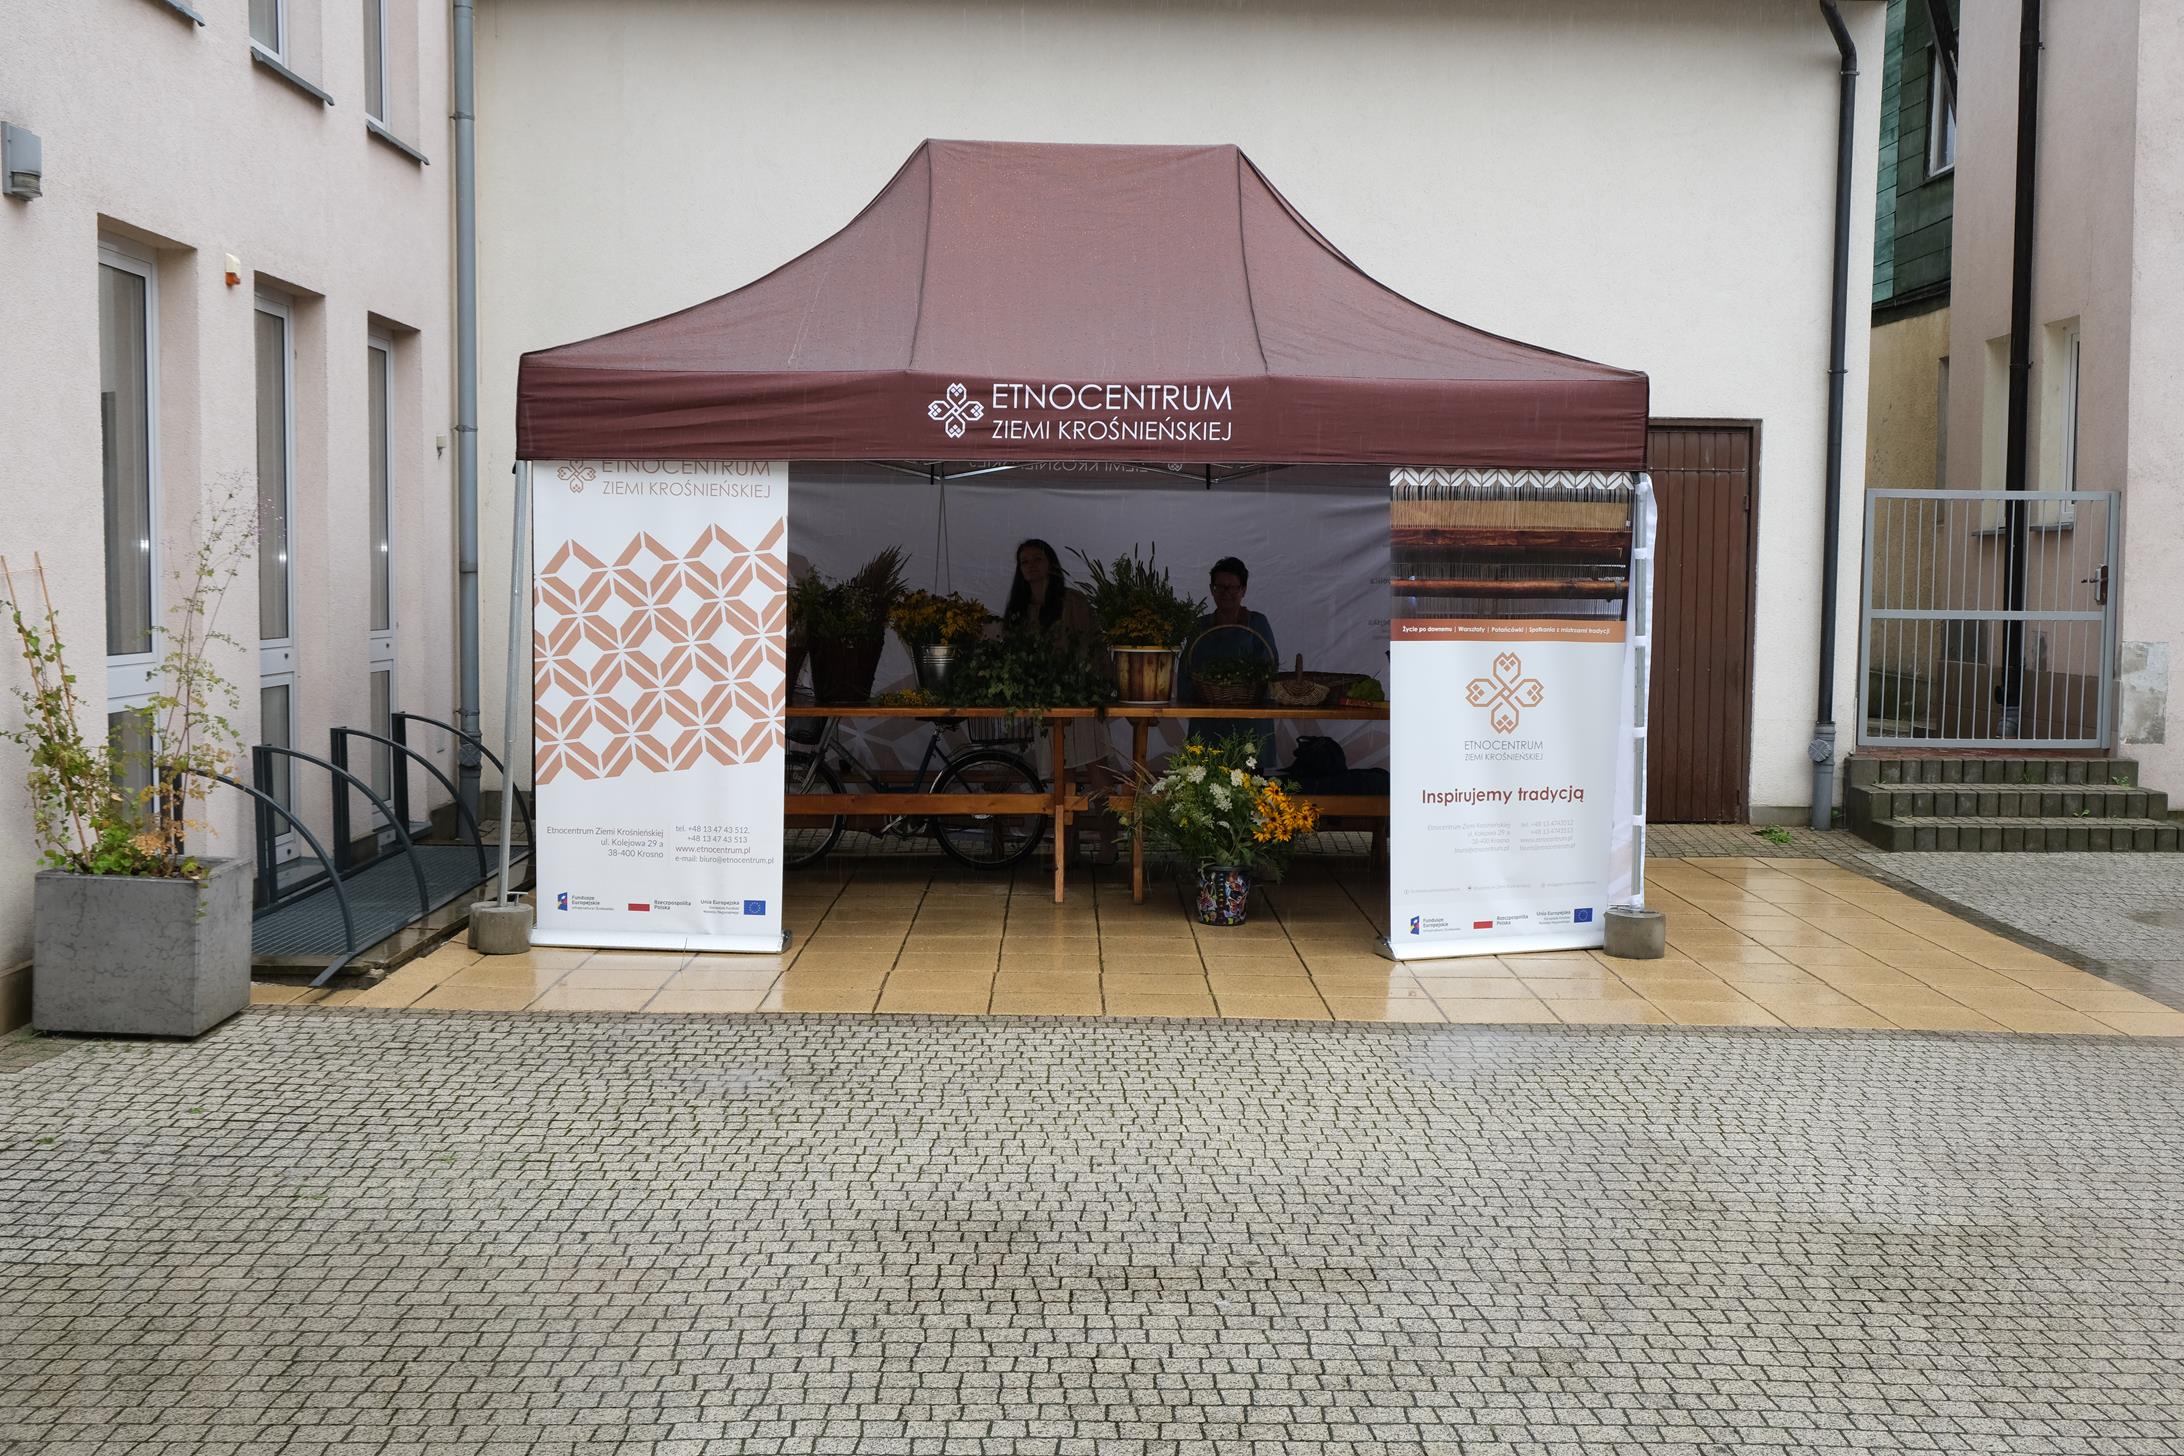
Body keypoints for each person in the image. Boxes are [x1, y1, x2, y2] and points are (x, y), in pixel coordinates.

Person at [1182, 556, 1279, 767]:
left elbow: (1270, 668)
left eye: (1233, 587)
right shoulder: (1200, 626)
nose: (1226, 593)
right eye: (1220, 587)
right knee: (1205, 774)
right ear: (1212, 589)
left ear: (1243, 590)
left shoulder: (1257, 623)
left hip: (1250, 720)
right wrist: (1190, 699)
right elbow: (1186, 671)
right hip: (1208, 720)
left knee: (1252, 778)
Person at [1001, 537, 1098, 647]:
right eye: (1025, 562)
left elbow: (1091, 642)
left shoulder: (1073, 601)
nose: (1031, 565)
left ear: (1050, 563)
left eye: (1037, 559)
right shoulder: (1016, 607)